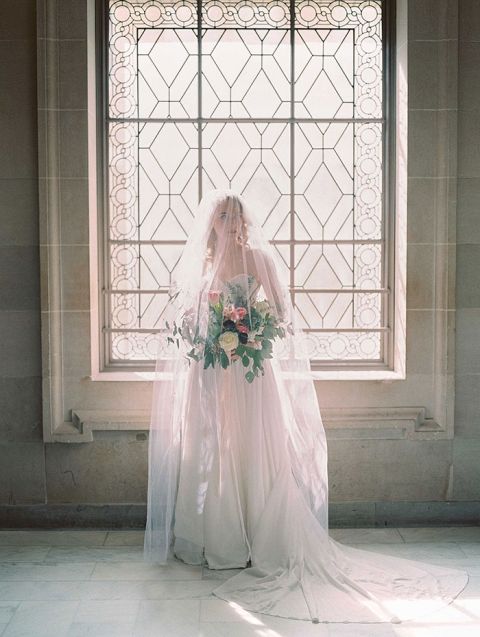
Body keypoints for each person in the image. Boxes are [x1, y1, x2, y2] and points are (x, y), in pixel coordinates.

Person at [144, 188, 468, 623]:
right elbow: (191, 316)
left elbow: (281, 313)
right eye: (223, 216)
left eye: (236, 215)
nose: (231, 223)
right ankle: (216, 538)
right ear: (212, 222)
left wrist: (249, 330)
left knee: (255, 449)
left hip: (249, 373)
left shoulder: (259, 260)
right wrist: (200, 329)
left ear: (245, 221)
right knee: (216, 451)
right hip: (212, 372)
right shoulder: (203, 265)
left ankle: (256, 538)